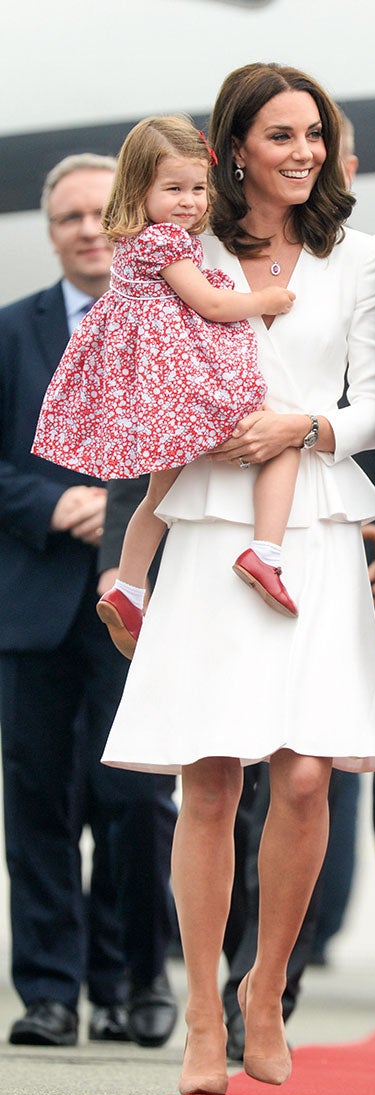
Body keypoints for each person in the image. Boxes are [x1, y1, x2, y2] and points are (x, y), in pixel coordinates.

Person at [101, 61, 375, 1095]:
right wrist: (200, 432)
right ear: (235, 148)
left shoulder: (356, 258)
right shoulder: (185, 248)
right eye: (281, 135)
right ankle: (200, 1018)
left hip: (309, 519)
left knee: (306, 774)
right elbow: (141, 371)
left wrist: (303, 426)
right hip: (214, 520)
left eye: (312, 132)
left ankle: (265, 985)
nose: (304, 151)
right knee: (210, 781)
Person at [0, 154, 178, 1049]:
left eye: (98, 212)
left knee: (137, 801)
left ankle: (136, 979)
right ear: (49, 230)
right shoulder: (9, 331)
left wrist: (117, 513)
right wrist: (47, 502)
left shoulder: (179, 322)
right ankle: (48, 990)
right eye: (66, 215)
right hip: (32, 601)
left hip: (140, 598)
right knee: (35, 801)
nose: (84, 229)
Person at [32, 116, 301, 658]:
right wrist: (266, 300)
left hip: (155, 391)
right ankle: (265, 554)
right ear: (139, 191)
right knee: (281, 438)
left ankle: (129, 587)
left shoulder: (134, 242)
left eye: (199, 188)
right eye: (173, 189)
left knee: (160, 494)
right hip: (178, 386)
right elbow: (213, 305)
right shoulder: (163, 242)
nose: (189, 202)